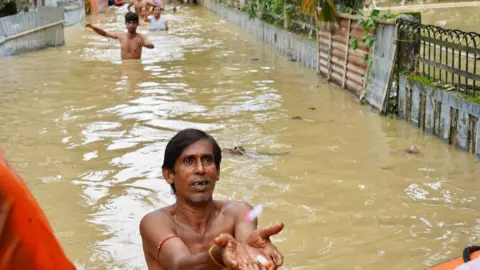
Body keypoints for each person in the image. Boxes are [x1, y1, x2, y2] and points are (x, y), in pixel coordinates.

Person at [139, 128, 284, 270]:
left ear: (218, 172)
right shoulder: (155, 222)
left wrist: (255, 254)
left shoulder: (239, 213)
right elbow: (180, 264)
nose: (200, 169)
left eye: (207, 160)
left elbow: (246, 252)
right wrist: (218, 255)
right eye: (189, 161)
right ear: (169, 174)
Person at [85, 12, 154, 60]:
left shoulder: (141, 37)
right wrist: (93, 27)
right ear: (125, 24)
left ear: (137, 24)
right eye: (129, 23)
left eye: (134, 23)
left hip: (136, 68)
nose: (131, 25)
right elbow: (104, 33)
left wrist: (143, 44)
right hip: (124, 66)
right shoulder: (121, 36)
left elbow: (151, 45)